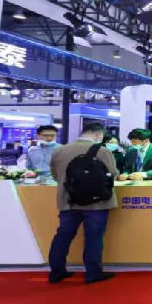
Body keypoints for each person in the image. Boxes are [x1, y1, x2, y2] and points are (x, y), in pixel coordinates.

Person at [47, 122, 119, 285]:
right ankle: (93, 273)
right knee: (93, 237)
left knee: (63, 236)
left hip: (68, 201)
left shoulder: (59, 150)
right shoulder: (102, 151)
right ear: (97, 134)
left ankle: (56, 272)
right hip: (97, 203)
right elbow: (113, 173)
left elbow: (55, 175)